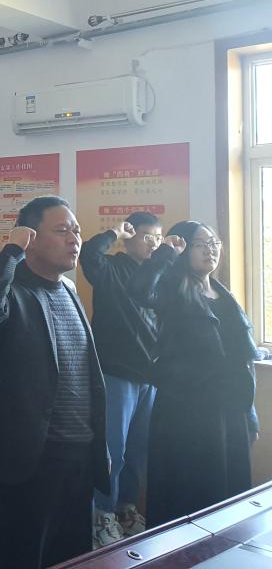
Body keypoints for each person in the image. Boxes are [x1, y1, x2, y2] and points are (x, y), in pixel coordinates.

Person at [0, 196, 108, 569]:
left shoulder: (69, 291)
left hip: (79, 452)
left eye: (76, 231)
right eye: (61, 231)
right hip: (32, 457)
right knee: (25, 556)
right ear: (30, 238)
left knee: (73, 555)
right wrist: (11, 251)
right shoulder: (13, 291)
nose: (74, 239)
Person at [128, 221, 259, 526]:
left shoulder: (225, 295)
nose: (210, 251)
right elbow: (138, 290)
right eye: (200, 245)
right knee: (190, 493)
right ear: (184, 249)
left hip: (228, 411)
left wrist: (250, 414)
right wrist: (165, 253)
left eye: (214, 244)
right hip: (185, 412)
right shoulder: (172, 290)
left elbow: (243, 359)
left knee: (228, 494)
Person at [80, 212, 162, 544]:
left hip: (150, 376)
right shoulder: (111, 268)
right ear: (130, 238)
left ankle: (126, 508)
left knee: (139, 450)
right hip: (115, 373)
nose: (153, 244)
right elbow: (88, 253)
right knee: (113, 449)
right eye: (146, 236)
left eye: (157, 237)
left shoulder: (158, 274)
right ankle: (101, 514)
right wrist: (114, 232)